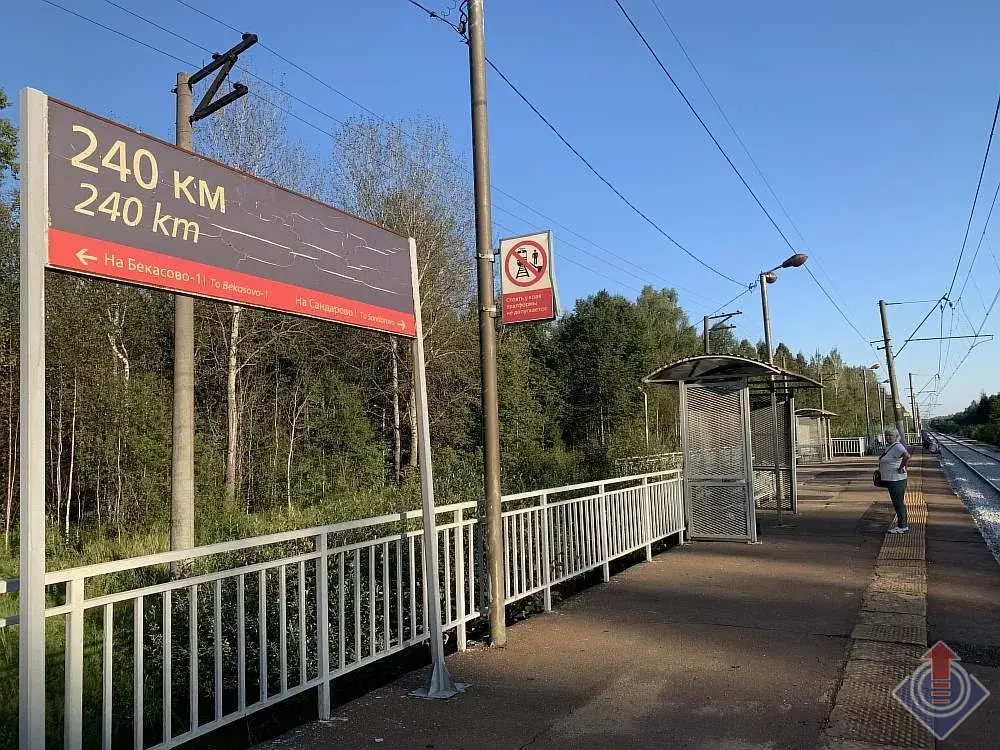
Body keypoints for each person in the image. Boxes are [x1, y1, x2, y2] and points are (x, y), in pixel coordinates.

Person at [880, 427, 911, 533]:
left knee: (898, 502)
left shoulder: (898, 446)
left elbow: (906, 455)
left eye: (890, 435)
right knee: (897, 502)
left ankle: (902, 526)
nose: (888, 437)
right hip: (892, 479)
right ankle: (902, 525)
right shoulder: (891, 446)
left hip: (897, 479)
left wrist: (902, 466)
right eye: (886, 435)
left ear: (896, 437)